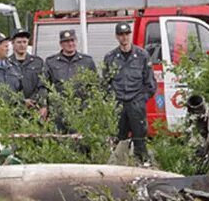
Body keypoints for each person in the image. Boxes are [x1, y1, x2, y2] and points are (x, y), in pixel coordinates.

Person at [104, 22, 157, 164]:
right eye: (121, 35)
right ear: (117, 37)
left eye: (127, 34)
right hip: (118, 105)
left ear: (130, 34)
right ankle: (117, 171)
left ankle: (142, 167)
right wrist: (112, 100)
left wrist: (141, 101)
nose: (124, 38)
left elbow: (150, 84)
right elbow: (105, 83)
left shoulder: (142, 55)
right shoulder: (110, 57)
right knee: (119, 140)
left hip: (136, 104)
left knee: (140, 140)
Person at [44, 29, 98, 132]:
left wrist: (92, 106)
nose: (70, 44)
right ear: (61, 44)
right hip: (59, 112)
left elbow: (94, 85)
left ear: (76, 41)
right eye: (66, 41)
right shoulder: (51, 62)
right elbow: (44, 86)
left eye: (72, 40)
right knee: (59, 143)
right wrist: (44, 106)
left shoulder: (87, 61)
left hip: (81, 112)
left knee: (81, 145)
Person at [11, 27, 47, 116]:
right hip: (14, 109)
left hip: (35, 108)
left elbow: (43, 86)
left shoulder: (38, 62)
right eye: (19, 42)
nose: (22, 45)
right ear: (13, 43)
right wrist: (22, 101)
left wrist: (43, 105)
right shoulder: (7, 63)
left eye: (24, 42)